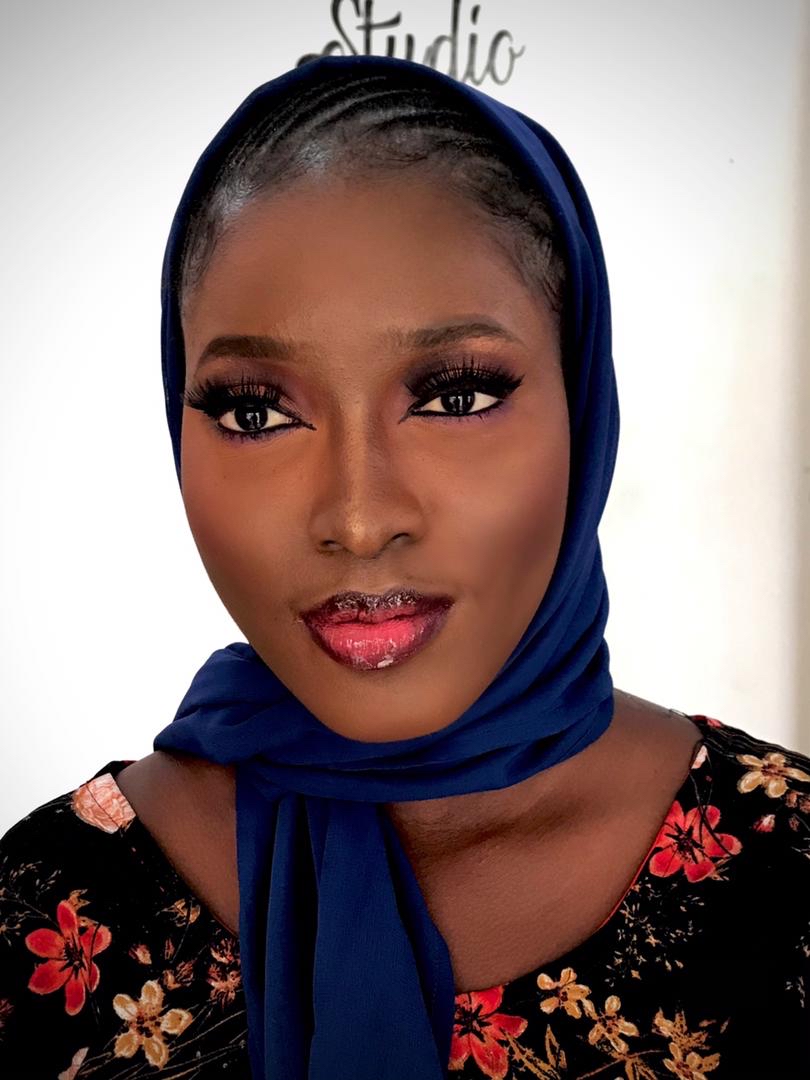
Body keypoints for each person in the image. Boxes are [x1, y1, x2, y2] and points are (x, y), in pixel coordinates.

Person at [0, 53, 808, 1080]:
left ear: (583, 401)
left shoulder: (791, 876)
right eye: (256, 412)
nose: (357, 517)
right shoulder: (38, 917)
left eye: (455, 396)